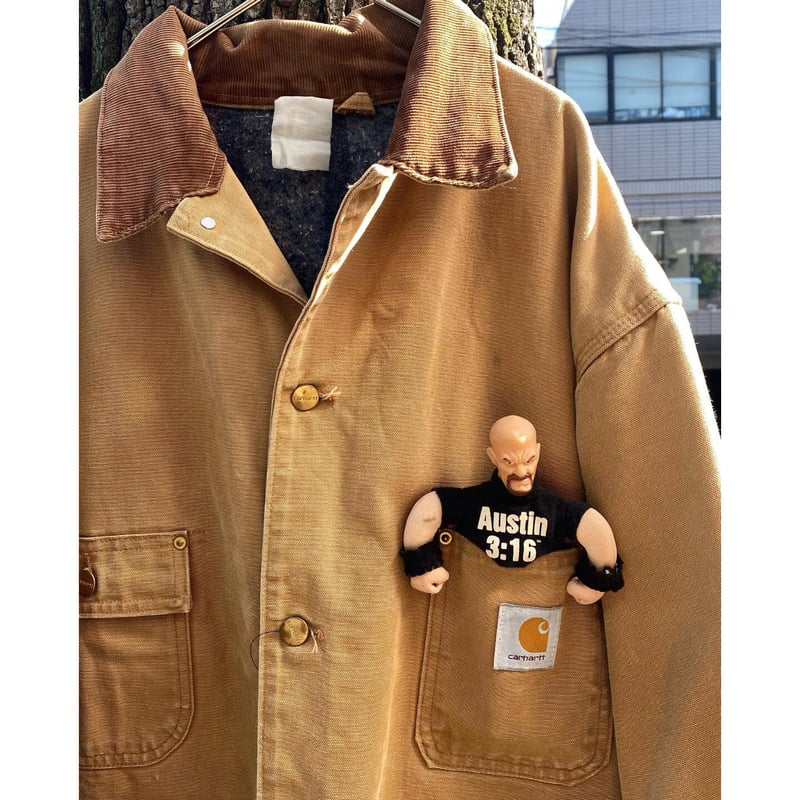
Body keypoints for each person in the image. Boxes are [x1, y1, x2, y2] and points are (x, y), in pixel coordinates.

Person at [400, 415, 624, 604]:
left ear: (538, 452)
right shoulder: (471, 502)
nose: (521, 471)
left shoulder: (555, 511)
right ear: (493, 457)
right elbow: (432, 508)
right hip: (471, 611)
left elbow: (592, 526)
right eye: (509, 462)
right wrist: (422, 567)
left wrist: (596, 583)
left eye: (529, 460)